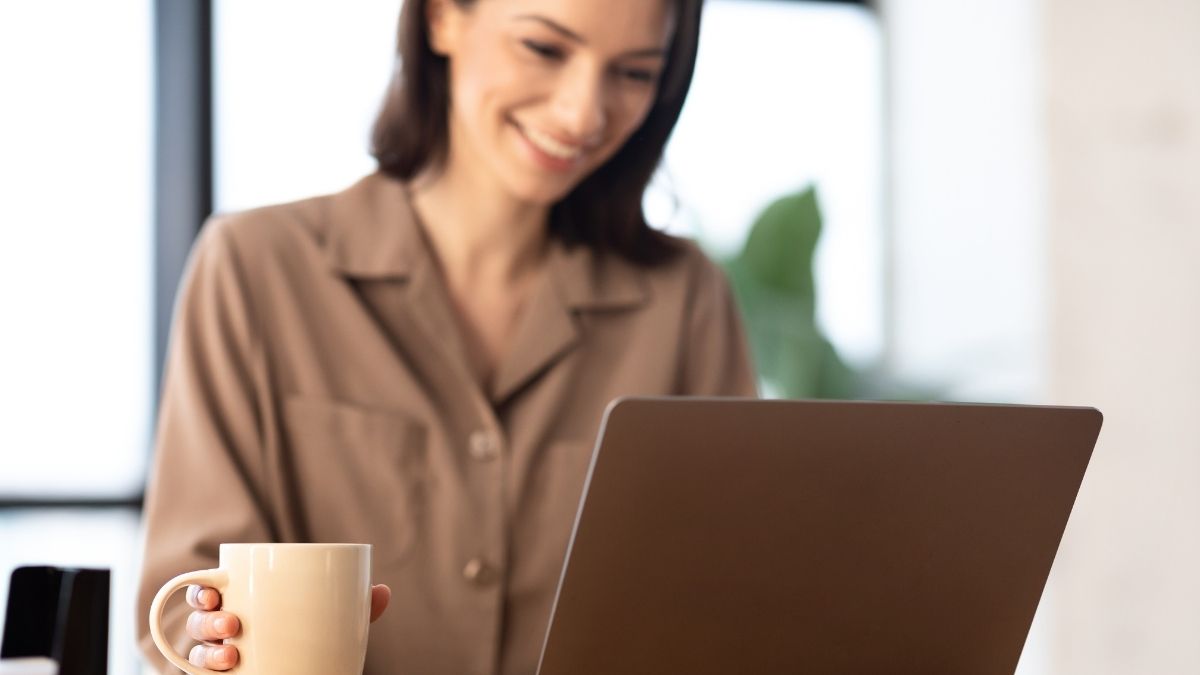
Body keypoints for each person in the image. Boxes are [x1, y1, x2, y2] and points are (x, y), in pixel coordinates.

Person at [136, 0, 757, 672]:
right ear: (441, 17)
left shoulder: (687, 299)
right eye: (544, 49)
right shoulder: (254, 269)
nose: (584, 113)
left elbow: (733, 593)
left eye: (634, 73)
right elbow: (184, 605)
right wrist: (217, 643)